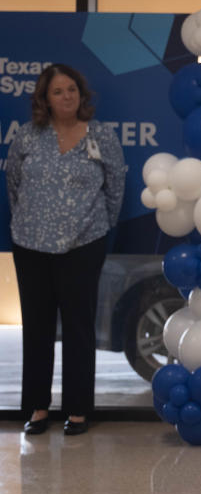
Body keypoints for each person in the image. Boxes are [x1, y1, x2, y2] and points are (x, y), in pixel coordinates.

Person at [5, 64, 126, 436]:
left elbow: (116, 183)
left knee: (78, 328)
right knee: (37, 328)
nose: (67, 96)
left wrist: (98, 226)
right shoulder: (27, 137)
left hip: (84, 244)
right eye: (58, 91)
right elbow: (13, 184)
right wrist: (30, 221)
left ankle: (77, 410)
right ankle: (38, 409)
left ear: (81, 94)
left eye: (72, 89)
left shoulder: (101, 135)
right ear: (44, 98)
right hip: (31, 244)